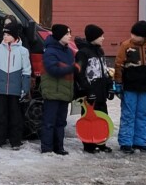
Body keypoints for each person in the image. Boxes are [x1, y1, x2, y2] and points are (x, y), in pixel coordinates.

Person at [113, 20, 146, 154]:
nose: (133, 37)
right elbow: (119, 65)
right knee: (128, 115)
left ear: (144, 36)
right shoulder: (126, 46)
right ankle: (125, 142)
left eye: (136, 35)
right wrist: (118, 83)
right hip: (129, 87)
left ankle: (140, 142)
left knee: (143, 115)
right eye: (132, 34)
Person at [0, 23, 31, 150]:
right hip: (1, 88)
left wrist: (25, 88)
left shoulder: (23, 51)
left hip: (15, 89)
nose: (5, 37)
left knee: (15, 116)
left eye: (8, 34)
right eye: (4, 34)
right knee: (0, 115)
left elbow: (26, 70)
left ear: (15, 36)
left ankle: (15, 141)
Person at [74, 24, 114, 154]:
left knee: (103, 117)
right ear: (93, 37)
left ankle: (101, 142)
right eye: (100, 36)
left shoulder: (100, 51)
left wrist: (110, 87)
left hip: (101, 91)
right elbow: (79, 74)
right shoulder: (82, 53)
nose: (103, 38)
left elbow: (105, 71)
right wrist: (88, 91)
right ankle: (89, 144)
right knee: (89, 117)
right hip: (90, 93)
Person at [40, 24, 75, 155]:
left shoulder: (69, 51)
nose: (70, 36)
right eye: (67, 34)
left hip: (65, 91)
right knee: (49, 122)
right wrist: (72, 68)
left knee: (61, 122)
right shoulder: (49, 51)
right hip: (52, 91)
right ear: (60, 36)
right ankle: (47, 148)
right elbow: (54, 70)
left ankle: (59, 147)